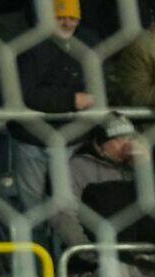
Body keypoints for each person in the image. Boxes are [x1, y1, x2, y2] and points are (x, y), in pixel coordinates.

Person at [13, 0, 94, 250]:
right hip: (32, 139)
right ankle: (37, 264)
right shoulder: (30, 47)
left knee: (66, 210)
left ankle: (64, 262)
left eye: (73, 18)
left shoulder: (88, 44)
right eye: (61, 17)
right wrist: (71, 99)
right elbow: (26, 94)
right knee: (33, 210)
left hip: (70, 139)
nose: (67, 23)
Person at [53, 112, 144, 251]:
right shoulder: (77, 167)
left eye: (130, 138)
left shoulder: (137, 163)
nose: (127, 145)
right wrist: (87, 251)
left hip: (139, 249)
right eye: (119, 139)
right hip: (96, 250)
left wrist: (144, 167)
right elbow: (64, 216)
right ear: (101, 144)